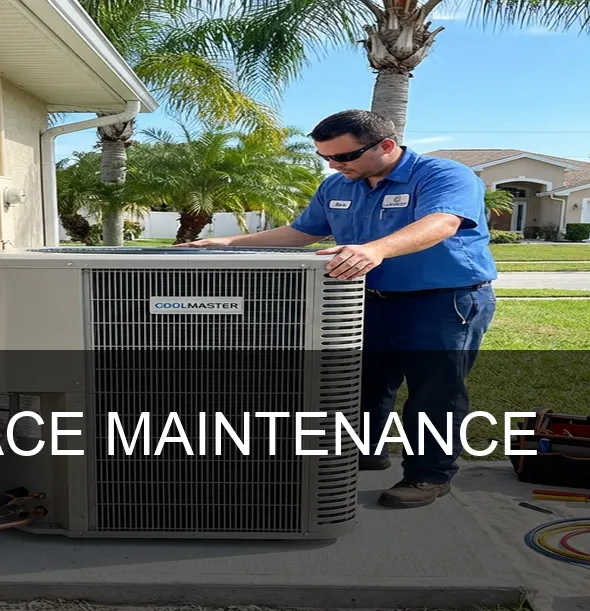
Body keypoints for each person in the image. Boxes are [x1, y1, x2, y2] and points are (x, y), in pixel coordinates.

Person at [178, 109, 497, 509]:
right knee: (361, 384)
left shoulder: (441, 175)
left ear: (385, 145)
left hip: (444, 301)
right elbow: (301, 232)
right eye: (325, 158)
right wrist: (229, 244)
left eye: (344, 157)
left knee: (435, 392)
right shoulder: (337, 186)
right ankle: (366, 453)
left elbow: (441, 223)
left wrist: (374, 250)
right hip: (364, 301)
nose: (334, 165)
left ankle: (428, 476)